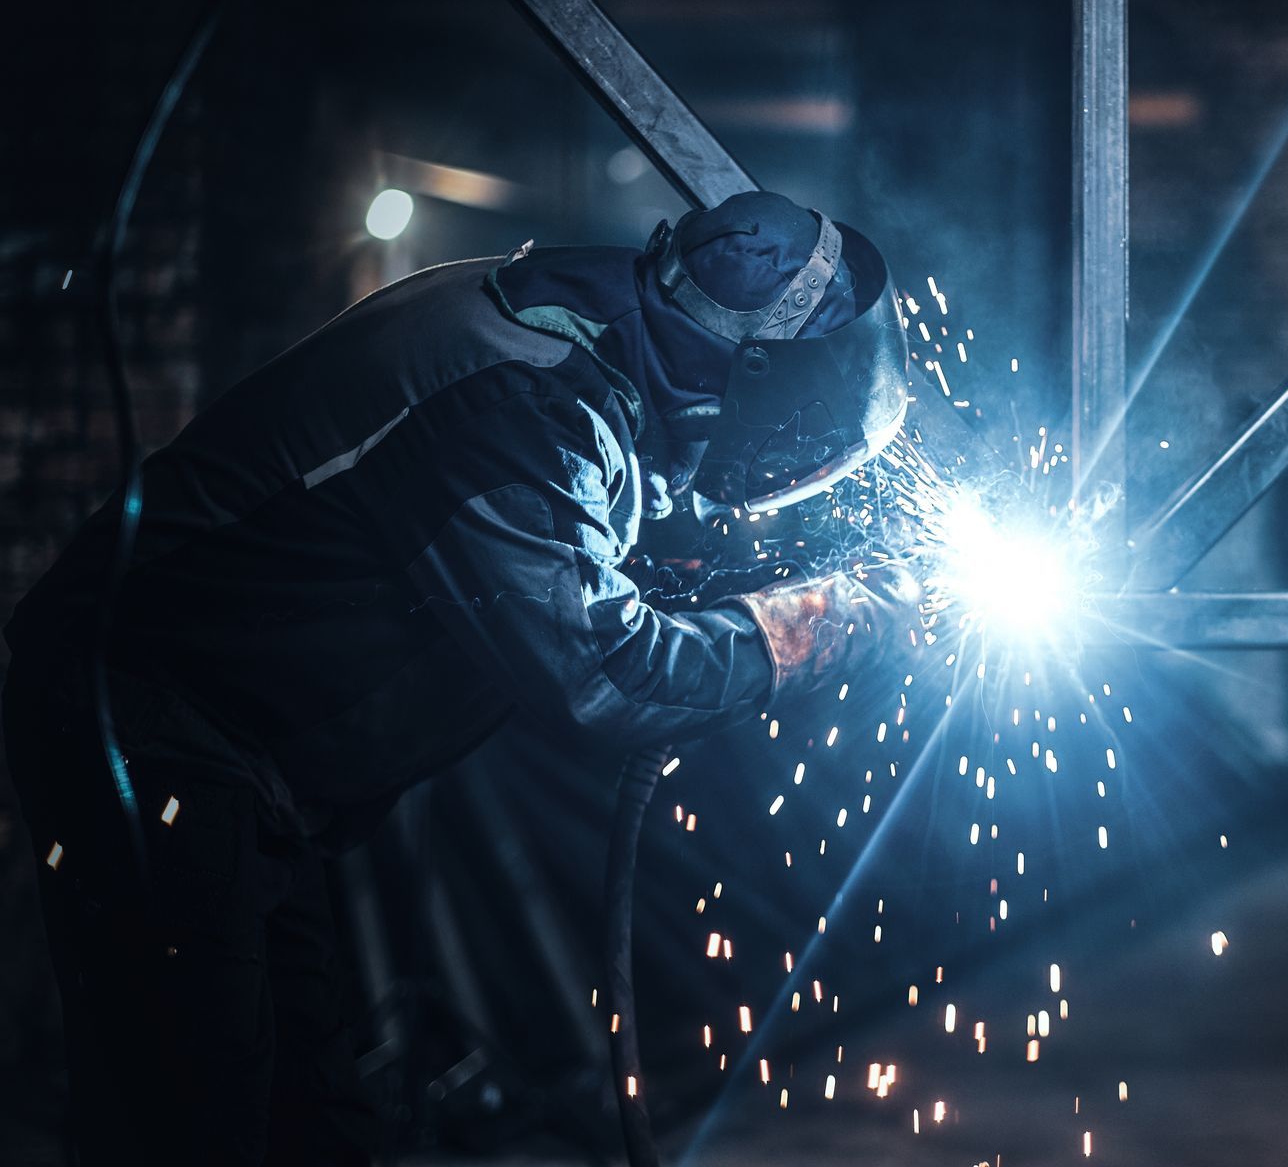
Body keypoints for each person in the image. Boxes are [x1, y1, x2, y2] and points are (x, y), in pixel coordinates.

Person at [1, 189, 919, 1164]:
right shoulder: (523, 400)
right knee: (191, 1122)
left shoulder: (594, 320)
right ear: (756, 378)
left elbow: (572, 505)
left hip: (236, 750)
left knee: (313, 1125)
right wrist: (802, 634)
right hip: (147, 726)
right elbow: (605, 672)